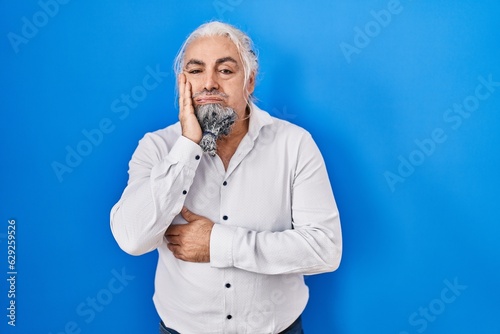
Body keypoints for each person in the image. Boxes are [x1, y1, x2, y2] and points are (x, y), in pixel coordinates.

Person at [110, 21, 342, 334]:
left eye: (225, 70)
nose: (209, 84)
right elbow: (132, 239)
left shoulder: (294, 144)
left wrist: (218, 243)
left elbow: (324, 250)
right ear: (182, 83)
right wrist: (187, 145)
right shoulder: (157, 147)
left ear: (249, 82)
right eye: (195, 71)